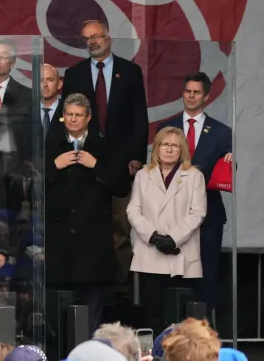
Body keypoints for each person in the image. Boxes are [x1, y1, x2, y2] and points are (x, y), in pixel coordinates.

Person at [59, 19, 149, 284]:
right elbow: (68, 120)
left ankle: (120, 288)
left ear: (109, 38)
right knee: (89, 225)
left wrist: (137, 157)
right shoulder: (75, 74)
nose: (92, 42)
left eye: (96, 36)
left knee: (121, 227)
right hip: (84, 162)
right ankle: (89, 283)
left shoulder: (130, 71)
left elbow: (139, 117)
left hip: (121, 162)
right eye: (87, 38)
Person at [44, 93, 130, 334]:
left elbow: (122, 186)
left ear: (88, 117)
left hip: (92, 246)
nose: (72, 119)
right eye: (68, 114)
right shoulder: (49, 146)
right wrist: (54, 166)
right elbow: (29, 187)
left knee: (92, 318)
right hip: (59, 245)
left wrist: (95, 165)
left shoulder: (104, 147)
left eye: (78, 115)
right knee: (58, 320)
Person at [159, 71, 233, 313]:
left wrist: (233, 161)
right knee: (172, 275)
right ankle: (171, 331)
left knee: (206, 274)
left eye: (196, 92)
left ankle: (202, 333)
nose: (191, 96)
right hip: (171, 215)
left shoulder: (222, 132)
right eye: (187, 91)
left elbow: (229, 170)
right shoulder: (166, 127)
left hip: (208, 215)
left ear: (207, 96)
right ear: (182, 93)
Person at [126, 127, 206, 331]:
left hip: (180, 253)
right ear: (157, 148)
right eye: (164, 144)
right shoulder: (144, 174)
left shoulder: (194, 176)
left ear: (182, 150)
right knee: (152, 313)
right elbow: (133, 210)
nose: (169, 149)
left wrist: (172, 238)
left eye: (175, 145)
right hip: (150, 253)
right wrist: (152, 236)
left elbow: (197, 213)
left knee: (180, 316)